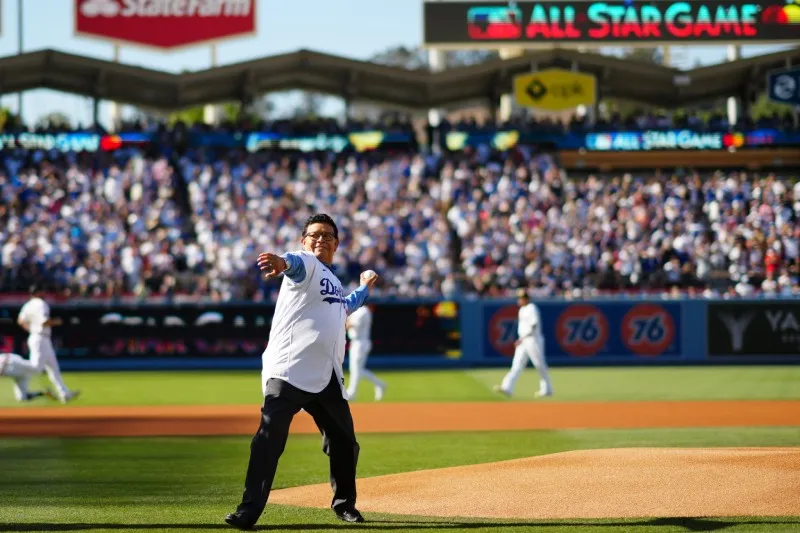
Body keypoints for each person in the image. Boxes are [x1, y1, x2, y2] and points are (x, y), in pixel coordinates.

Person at [225, 213, 378, 530]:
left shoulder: (332, 282)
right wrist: (280, 263)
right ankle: (248, 510)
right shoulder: (306, 265)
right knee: (268, 439)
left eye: (328, 235)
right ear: (304, 241)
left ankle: (345, 504)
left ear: (337, 243)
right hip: (289, 371)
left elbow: (347, 304)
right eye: (314, 234)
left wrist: (364, 287)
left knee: (345, 442)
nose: (321, 239)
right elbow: (292, 263)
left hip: (326, 377)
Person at [17, 285, 80, 404]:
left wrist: (31, 329)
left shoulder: (27, 305)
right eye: (42, 291)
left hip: (37, 337)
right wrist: (58, 321)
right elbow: (44, 322)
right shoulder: (40, 303)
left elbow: (20, 321)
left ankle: (64, 393)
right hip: (40, 338)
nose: (44, 293)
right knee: (36, 368)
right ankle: (12, 365)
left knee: (53, 368)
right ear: (38, 293)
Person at [493, 289, 553, 398]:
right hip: (523, 340)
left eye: (521, 298)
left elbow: (534, 325)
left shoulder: (532, 308)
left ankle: (547, 388)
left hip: (533, 339)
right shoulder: (522, 309)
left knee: (539, 364)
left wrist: (523, 338)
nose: (519, 300)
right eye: (519, 298)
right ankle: (507, 387)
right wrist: (522, 338)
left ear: (526, 299)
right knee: (517, 364)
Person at [345, 304, 386, 401]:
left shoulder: (363, 311)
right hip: (357, 342)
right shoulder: (357, 310)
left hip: (361, 342)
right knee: (357, 370)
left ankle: (352, 393)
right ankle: (380, 384)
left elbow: (350, 325)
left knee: (356, 369)